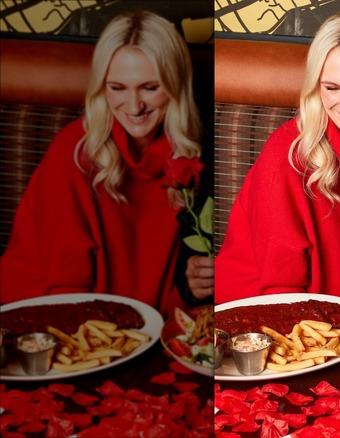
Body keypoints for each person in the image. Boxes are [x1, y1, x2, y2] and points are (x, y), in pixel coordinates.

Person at [0, 10, 209, 317]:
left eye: (150, 88)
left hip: (141, 326)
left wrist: (191, 290)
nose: (134, 106)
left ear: (175, 85)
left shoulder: (190, 158)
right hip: (43, 318)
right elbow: (65, 287)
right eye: (117, 88)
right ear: (102, 87)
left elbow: (175, 297)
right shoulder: (73, 151)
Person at [215, 10, 340, 317]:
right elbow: (279, 289)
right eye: (332, 88)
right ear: (316, 87)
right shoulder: (287, 152)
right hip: (260, 319)